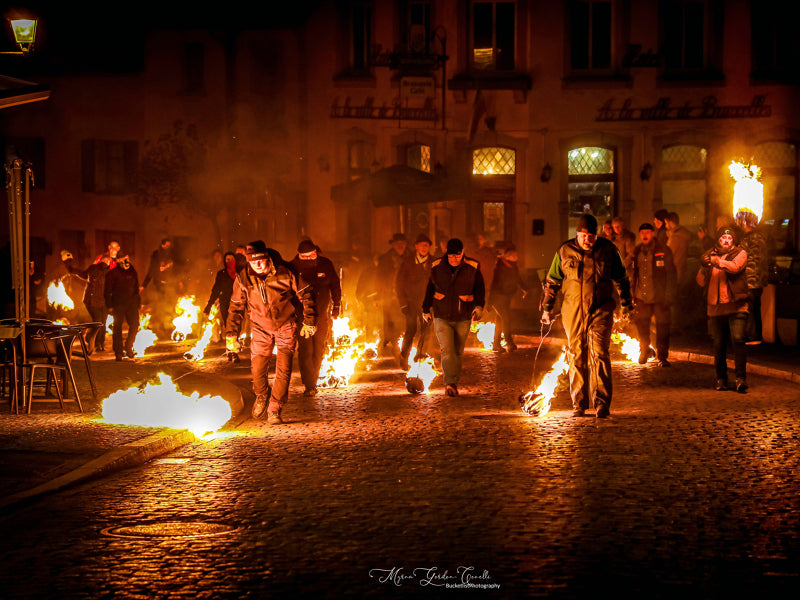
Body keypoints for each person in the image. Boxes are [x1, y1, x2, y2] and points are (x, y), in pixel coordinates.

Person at [541, 214, 633, 418]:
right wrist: (547, 308)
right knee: (576, 355)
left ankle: (601, 403)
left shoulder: (609, 250)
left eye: (591, 235)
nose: (587, 240)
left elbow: (621, 278)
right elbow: (553, 281)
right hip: (573, 311)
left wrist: (626, 303)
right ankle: (579, 403)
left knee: (599, 354)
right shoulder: (565, 251)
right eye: (583, 235)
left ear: (596, 234)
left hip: (601, 309)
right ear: (577, 233)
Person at [226, 240, 316, 424]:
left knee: (283, 369)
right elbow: (236, 307)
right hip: (259, 328)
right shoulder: (243, 278)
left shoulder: (285, 271)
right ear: (248, 261)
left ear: (267, 257)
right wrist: (231, 334)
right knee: (257, 369)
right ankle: (261, 395)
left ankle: (275, 407)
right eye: (253, 261)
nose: (258, 264)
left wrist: (309, 320)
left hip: (285, 325)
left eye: (261, 260)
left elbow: (306, 293)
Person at [422, 238, 485, 397]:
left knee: (457, 352)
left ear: (462, 252)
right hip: (441, 315)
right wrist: (426, 309)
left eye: (457, 255)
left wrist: (479, 306)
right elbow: (430, 287)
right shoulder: (436, 266)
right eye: (451, 256)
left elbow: (480, 289)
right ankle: (450, 382)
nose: (454, 259)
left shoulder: (473, 267)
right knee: (447, 350)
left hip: (463, 316)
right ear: (446, 254)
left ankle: (453, 381)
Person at [696, 225, 749, 393]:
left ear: (733, 241)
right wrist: (704, 267)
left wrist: (716, 261)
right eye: (723, 238)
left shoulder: (740, 253)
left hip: (736, 306)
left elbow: (735, 267)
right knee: (719, 345)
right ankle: (721, 379)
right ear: (718, 240)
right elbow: (700, 279)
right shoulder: (710, 256)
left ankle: (740, 379)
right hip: (715, 308)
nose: (726, 241)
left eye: (729, 239)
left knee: (738, 341)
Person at [291, 239, 341, 397]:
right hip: (302, 315)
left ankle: (314, 377)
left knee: (319, 348)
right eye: (304, 257)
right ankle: (309, 384)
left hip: (321, 313)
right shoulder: (292, 267)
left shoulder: (325, 264)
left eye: (311, 256)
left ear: (316, 253)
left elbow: (335, 285)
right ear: (299, 255)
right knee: (306, 349)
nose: (308, 259)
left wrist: (336, 306)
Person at [631, 223, 677, 366]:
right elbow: (634, 273)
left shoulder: (663, 250)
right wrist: (632, 294)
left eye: (647, 232)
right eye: (642, 232)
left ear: (652, 234)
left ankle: (662, 356)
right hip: (641, 296)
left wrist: (669, 294)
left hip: (659, 296)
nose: (644, 235)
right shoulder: (637, 251)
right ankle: (644, 350)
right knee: (642, 326)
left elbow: (671, 274)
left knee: (663, 327)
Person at [395, 233, 434, 369]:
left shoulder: (434, 263)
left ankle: (421, 355)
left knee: (426, 329)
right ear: (416, 247)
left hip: (427, 303)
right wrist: (403, 303)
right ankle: (404, 356)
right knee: (411, 329)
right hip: (411, 302)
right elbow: (399, 283)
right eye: (422, 245)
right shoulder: (408, 262)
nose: (424, 248)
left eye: (426, 245)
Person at [735, 210, 769, 345]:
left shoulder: (748, 238)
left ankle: (753, 336)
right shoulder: (761, 237)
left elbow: (742, 257)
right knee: (755, 306)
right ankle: (755, 335)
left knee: (750, 308)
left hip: (750, 278)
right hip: (759, 278)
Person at [488, 244, 528, 352]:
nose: (517, 257)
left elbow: (517, 278)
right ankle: (509, 343)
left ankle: (496, 345)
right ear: (508, 256)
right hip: (497, 297)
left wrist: (524, 289)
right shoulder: (500, 266)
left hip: (506, 297)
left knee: (500, 320)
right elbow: (494, 282)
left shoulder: (513, 266)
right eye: (515, 255)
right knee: (506, 319)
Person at [376, 233, 412, 354]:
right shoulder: (385, 259)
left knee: (406, 320)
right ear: (393, 245)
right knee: (390, 321)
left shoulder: (412, 257)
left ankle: (405, 345)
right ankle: (392, 345)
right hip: (389, 294)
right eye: (398, 244)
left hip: (407, 296)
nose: (400, 246)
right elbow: (379, 278)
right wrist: (378, 296)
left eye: (402, 244)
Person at [104, 252, 140, 361]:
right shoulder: (112, 273)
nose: (125, 260)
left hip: (131, 303)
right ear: (118, 260)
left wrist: (138, 303)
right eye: (123, 258)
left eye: (127, 258)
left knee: (135, 325)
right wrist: (109, 305)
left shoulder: (132, 271)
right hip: (118, 304)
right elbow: (107, 291)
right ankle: (118, 352)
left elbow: (136, 287)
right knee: (117, 328)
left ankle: (128, 347)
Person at [73, 255, 111, 353]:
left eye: (108, 260)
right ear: (101, 261)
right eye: (105, 260)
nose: (106, 262)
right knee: (98, 321)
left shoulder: (108, 272)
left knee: (102, 322)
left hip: (102, 301)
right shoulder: (97, 269)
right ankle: (92, 339)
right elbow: (84, 274)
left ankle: (99, 344)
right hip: (92, 301)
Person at [204, 251, 238, 338]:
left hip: (238, 302)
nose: (230, 261)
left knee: (236, 324)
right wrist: (209, 304)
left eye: (232, 259)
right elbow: (216, 290)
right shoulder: (221, 274)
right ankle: (231, 345)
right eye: (227, 259)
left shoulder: (240, 273)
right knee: (228, 324)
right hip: (225, 302)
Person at [665, 212, 693, 284]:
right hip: (683, 271)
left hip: (675, 273)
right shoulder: (684, 234)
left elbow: (668, 255)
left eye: (666, 223)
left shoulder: (675, 238)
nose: (665, 226)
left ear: (670, 223)